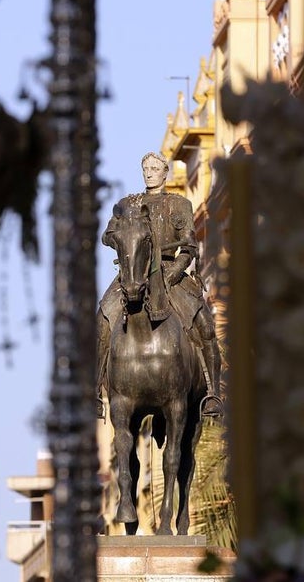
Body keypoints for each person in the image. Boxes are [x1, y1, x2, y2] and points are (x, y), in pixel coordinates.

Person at [97, 152, 224, 419]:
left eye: (155, 168)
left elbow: (188, 246)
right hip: (133, 272)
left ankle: (212, 392)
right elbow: (107, 235)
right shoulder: (127, 204)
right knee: (103, 317)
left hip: (168, 271)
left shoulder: (179, 204)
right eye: (145, 168)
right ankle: (95, 390)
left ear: (165, 172)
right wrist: (118, 237)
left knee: (204, 322)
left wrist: (174, 273)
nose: (149, 172)